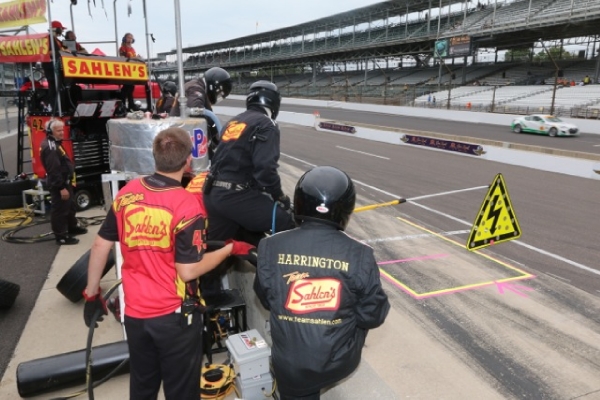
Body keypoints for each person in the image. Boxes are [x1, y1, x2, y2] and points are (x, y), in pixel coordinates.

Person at [82, 127, 255, 400]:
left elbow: (100, 245)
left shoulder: (127, 193)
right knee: (181, 392)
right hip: (175, 318)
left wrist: (92, 294)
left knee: (143, 388)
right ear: (188, 161)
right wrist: (230, 249)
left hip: (135, 315)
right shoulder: (187, 205)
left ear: (154, 156)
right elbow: (188, 271)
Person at [253, 166, 390, 400]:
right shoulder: (360, 254)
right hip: (337, 363)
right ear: (345, 210)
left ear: (300, 203)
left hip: (289, 365)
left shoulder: (270, 245)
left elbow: (265, 298)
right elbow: (373, 316)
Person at [40, 119, 88, 245]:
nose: (62, 133)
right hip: (59, 184)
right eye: (58, 131)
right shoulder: (50, 147)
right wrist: (61, 187)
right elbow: (53, 170)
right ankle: (61, 236)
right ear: (50, 131)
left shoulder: (55, 143)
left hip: (65, 182)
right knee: (60, 210)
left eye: (62, 130)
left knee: (70, 207)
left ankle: (72, 227)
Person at [42, 20, 69, 113]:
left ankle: (61, 107)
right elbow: (46, 52)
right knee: (54, 87)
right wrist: (62, 52)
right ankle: (55, 108)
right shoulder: (48, 39)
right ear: (56, 29)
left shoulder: (58, 41)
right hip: (51, 65)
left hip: (59, 64)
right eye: (61, 29)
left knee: (60, 86)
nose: (62, 31)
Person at [119, 33, 144, 111]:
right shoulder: (122, 48)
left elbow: (134, 58)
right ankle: (123, 104)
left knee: (131, 88)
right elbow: (123, 59)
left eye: (131, 38)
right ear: (125, 39)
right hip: (126, 69)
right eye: (129, 37)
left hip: (133, 69)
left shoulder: (132, 49)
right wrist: (134, 58)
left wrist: (137, 58)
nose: (130, 39)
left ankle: (131, 105)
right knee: (126, 87)